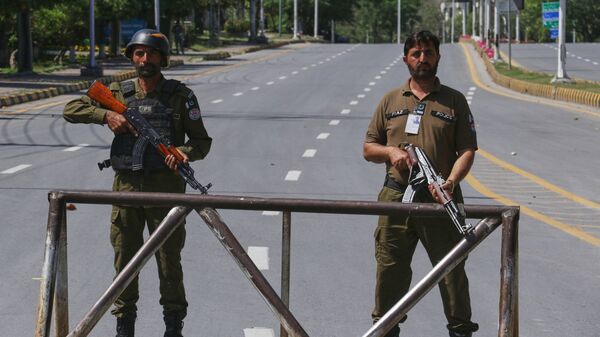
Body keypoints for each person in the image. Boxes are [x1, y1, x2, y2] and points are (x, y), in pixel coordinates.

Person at [63, 29, 212, 337]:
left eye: (152, 53)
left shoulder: (181, 96)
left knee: (169, 259)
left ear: (163, 58)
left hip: (167, 191)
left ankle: (173, 324)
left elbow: (201, 142)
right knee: (125, 260)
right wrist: (106, 116)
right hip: (126, 189)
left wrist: (182, 154)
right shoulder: (118, 91)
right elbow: (71, 109)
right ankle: (124, 324)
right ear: (131, 57)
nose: (145, 59)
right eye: (140, 53)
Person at [362, 30, 479, 337]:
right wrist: (390, 151)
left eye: (428, 53)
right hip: (397, 195)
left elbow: (467, 150)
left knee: (451, 271)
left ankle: (460, 330)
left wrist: (451, 182)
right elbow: (368, 148)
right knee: (390, 269)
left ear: (438, 57)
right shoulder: (390, 100)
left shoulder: (454, 101)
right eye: (416, 54)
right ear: (406, 60)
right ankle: (386, 329)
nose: (422, 59)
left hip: (440, 198)